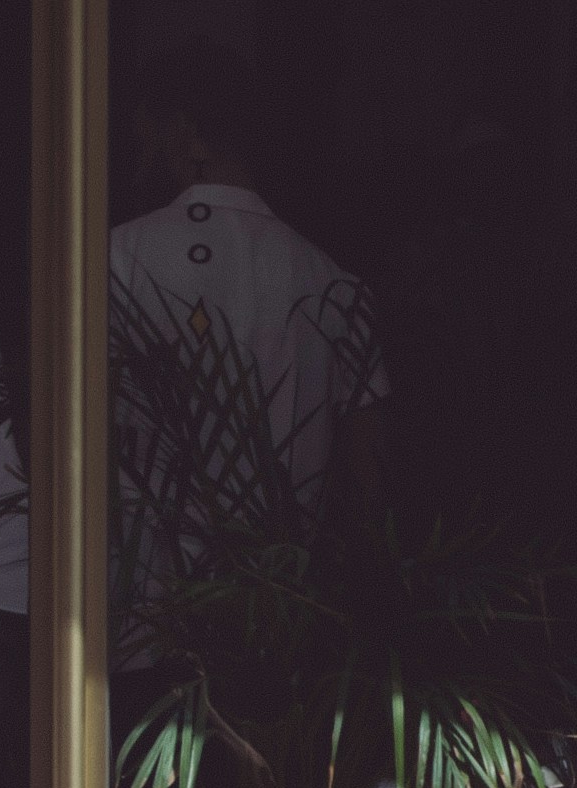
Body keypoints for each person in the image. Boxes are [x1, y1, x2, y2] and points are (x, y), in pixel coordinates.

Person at [108, 44, 379, 560]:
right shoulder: (333, 284)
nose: (141, 163)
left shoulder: (117, 257)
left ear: (189, 135)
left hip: (147, 602)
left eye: (149, 141)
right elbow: (369, 481)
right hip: (284, 608)